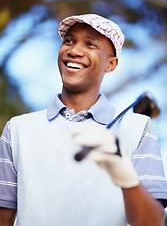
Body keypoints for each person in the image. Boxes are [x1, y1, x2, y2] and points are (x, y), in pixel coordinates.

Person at [0, 14, 167, 226]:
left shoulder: (138, 128)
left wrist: (127, 179)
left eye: (90, 44)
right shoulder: (17, 129)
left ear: (111, 64)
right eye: (69, 41)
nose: (75, 50)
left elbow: (152, 222)